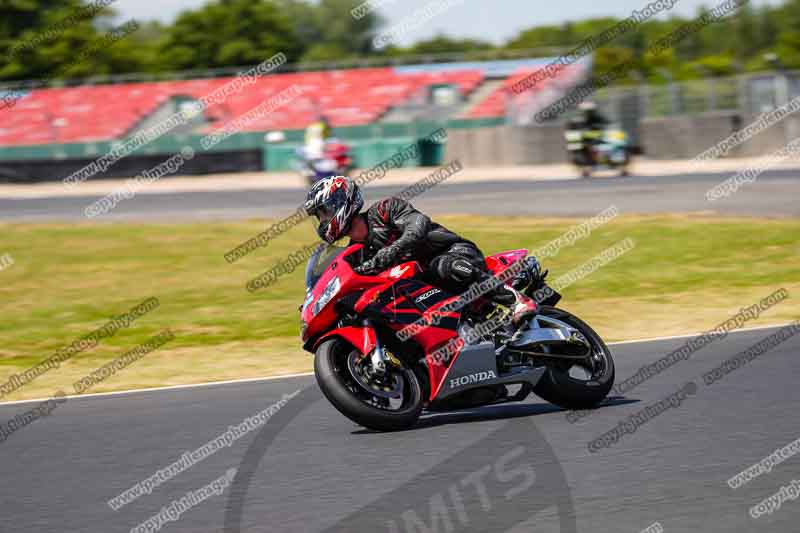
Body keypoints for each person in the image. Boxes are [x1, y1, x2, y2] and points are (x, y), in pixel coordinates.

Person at [303, 175, 538, 326]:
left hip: (452, 252)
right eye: (319, 217)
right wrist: (315, 297)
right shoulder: (357, 252)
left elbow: (419, 226)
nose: (323, 221)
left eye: (324, 212)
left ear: (341, 202)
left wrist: (390, 252)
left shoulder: (385, 210)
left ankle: (516, 300)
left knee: (443, 267)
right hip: (422, 285)